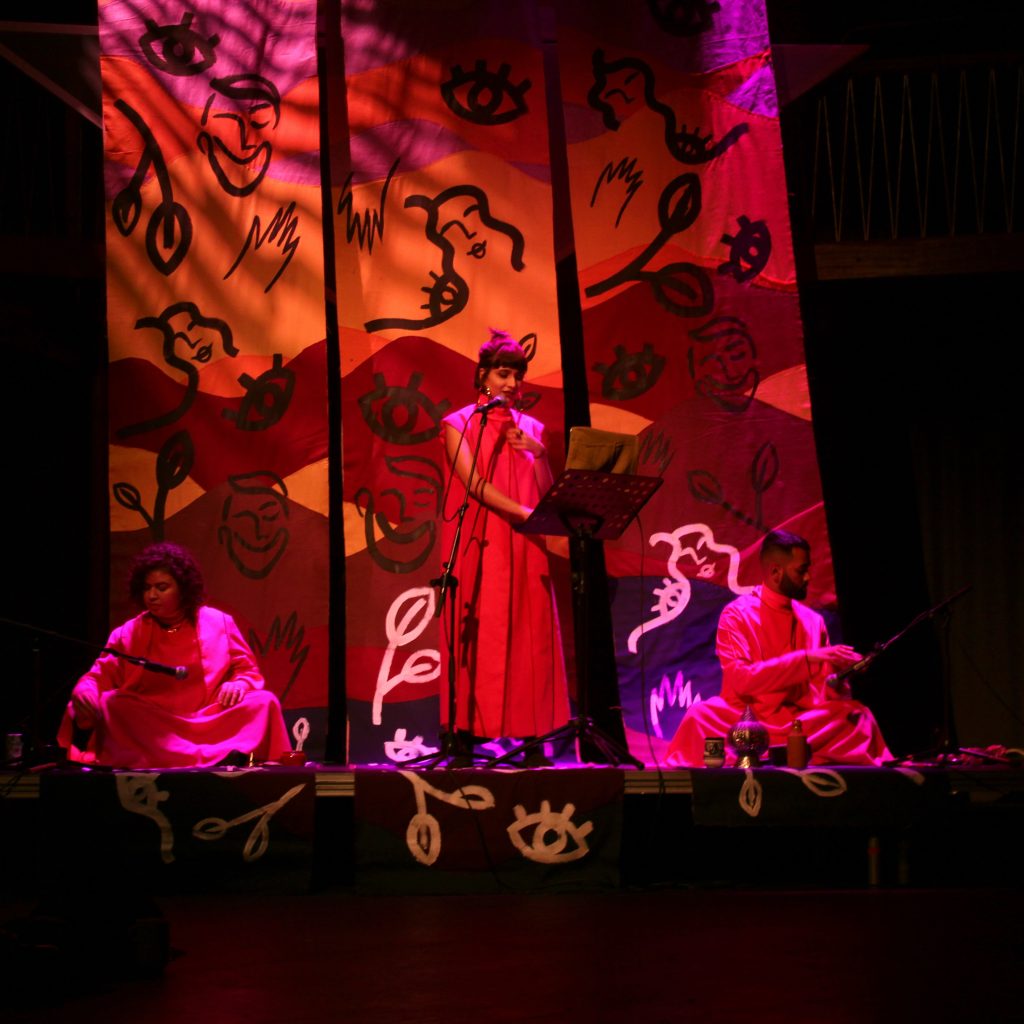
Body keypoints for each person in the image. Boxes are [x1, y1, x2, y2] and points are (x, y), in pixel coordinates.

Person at [439, 330, 569, 765]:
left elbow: (549, 497)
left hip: (525, 545)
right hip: (480, 543)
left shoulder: (532, 430)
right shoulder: (458, 423)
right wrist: (522, 512)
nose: (512, 383)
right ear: (483, 375)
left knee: (530, 638)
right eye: (503, 373)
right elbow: (472, 482)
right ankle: (463, 735)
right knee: (479, 633)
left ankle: (533, 737)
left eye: (517, 375)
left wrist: (541, 456)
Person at [667, 529, 892, 767]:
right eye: (801, 570)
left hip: (800, 721)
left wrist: (841, 675)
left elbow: (822, 692)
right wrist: (807, 658)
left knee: (857, 715)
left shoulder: (813, 621)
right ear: (776, 572)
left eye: (808, 569)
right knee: (700, 716)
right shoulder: (736, 615)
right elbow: (742, 680)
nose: (807, 578)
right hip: (746, 721)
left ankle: (788, 750)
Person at [58, 542, 291, 768]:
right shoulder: (127, 633)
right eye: (147, 588)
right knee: (113, 704)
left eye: (161, 587)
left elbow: (247, 670)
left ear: (183, 588)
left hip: (210, 718)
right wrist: (84, 690)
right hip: (153, 723)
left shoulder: (219, 622)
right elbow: (98, 676)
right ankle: (211, 756)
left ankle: (185, 755)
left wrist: (239, 684)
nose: (152, 595)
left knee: (264, 702)